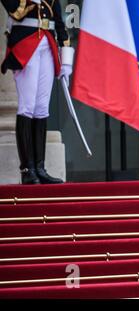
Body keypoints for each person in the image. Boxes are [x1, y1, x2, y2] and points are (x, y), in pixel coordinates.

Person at [1, 0, 74, 184]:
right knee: (27, 106)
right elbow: (15, 11)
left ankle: (40, 167)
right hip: (25, 42)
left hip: (47, 43)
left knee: (41, 107)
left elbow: (58, 20)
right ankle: (27, 169)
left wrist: (66, 58)